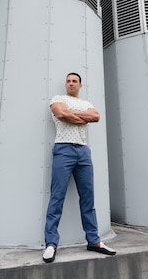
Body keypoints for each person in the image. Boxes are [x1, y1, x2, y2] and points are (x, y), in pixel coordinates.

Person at [42, 72, 116, 263]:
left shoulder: (87, 103)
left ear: (80, 85)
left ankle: (94, 241)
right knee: (57, 196)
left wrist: (71, 115)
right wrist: (82, 118)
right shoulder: (57, 99)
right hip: (63, 149)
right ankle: (51, 244)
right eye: (68, 81)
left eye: (75, 81)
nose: (71, 83)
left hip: (83, 152)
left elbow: (96, 116)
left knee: (88, 197)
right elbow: (60, 113)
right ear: (65, 84)